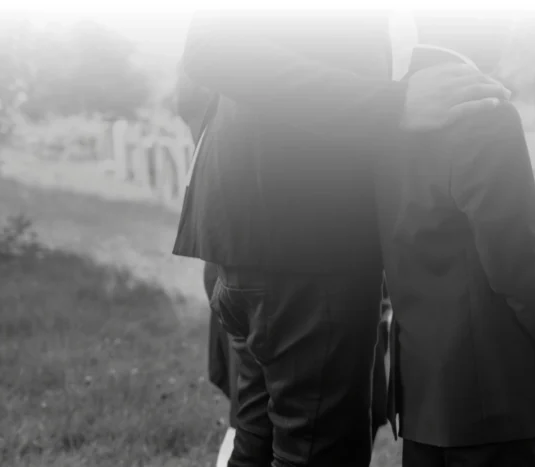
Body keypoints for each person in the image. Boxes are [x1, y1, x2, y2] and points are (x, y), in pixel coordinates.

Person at [172, 10, 511, 467]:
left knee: (261, 441)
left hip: (266, 236)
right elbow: (212, 48)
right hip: (305, 240)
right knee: (317, 451)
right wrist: (392, 105)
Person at [373, 15, 535, 467]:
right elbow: (520, 266)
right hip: (492, 396)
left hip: (423, 395)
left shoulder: (387, 111)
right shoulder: (481, 110)